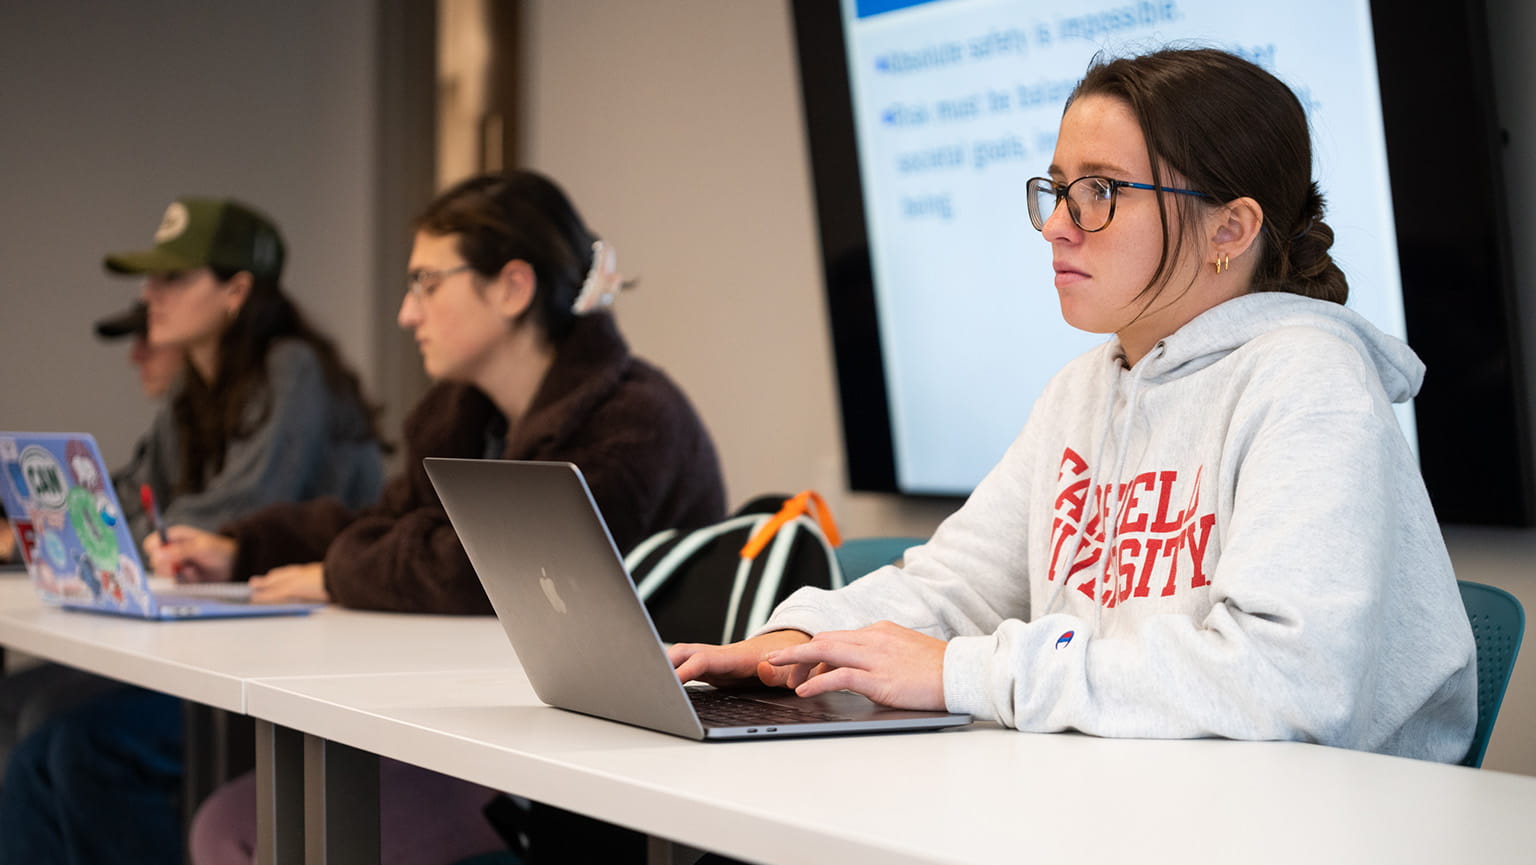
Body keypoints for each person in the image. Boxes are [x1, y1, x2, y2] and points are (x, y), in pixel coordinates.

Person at [671, 47, 1477, 766]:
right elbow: (958, 584)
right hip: (1132, 798)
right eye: (1056, 191)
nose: (1057, 226)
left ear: (1229, 227)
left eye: (1099, 192)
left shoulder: (1312, 381)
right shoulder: (1086, 387)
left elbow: (1285, 679)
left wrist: (959, 671)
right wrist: (798, 641)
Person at [163, 170, 726, 865]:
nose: (407, 313)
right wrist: (242, 548)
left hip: (602, 768)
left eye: (427, 282)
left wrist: (337, 572)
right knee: (235, 817)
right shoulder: (464, 413)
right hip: (498, 725)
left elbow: (480, 571)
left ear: (513, 287)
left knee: (237, 829)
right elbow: (387, 524)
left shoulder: (638, 419)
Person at [0, 196, 388, 865]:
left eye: (173, 278)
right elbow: (132, 496)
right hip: (214, 643)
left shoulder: (289, 367)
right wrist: (53, 525)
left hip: (293, 661)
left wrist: (132, 530)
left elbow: (234, 514)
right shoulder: (194, 390)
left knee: (73, 739)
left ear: (237, 290)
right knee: (31, 714)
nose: (151, 293)